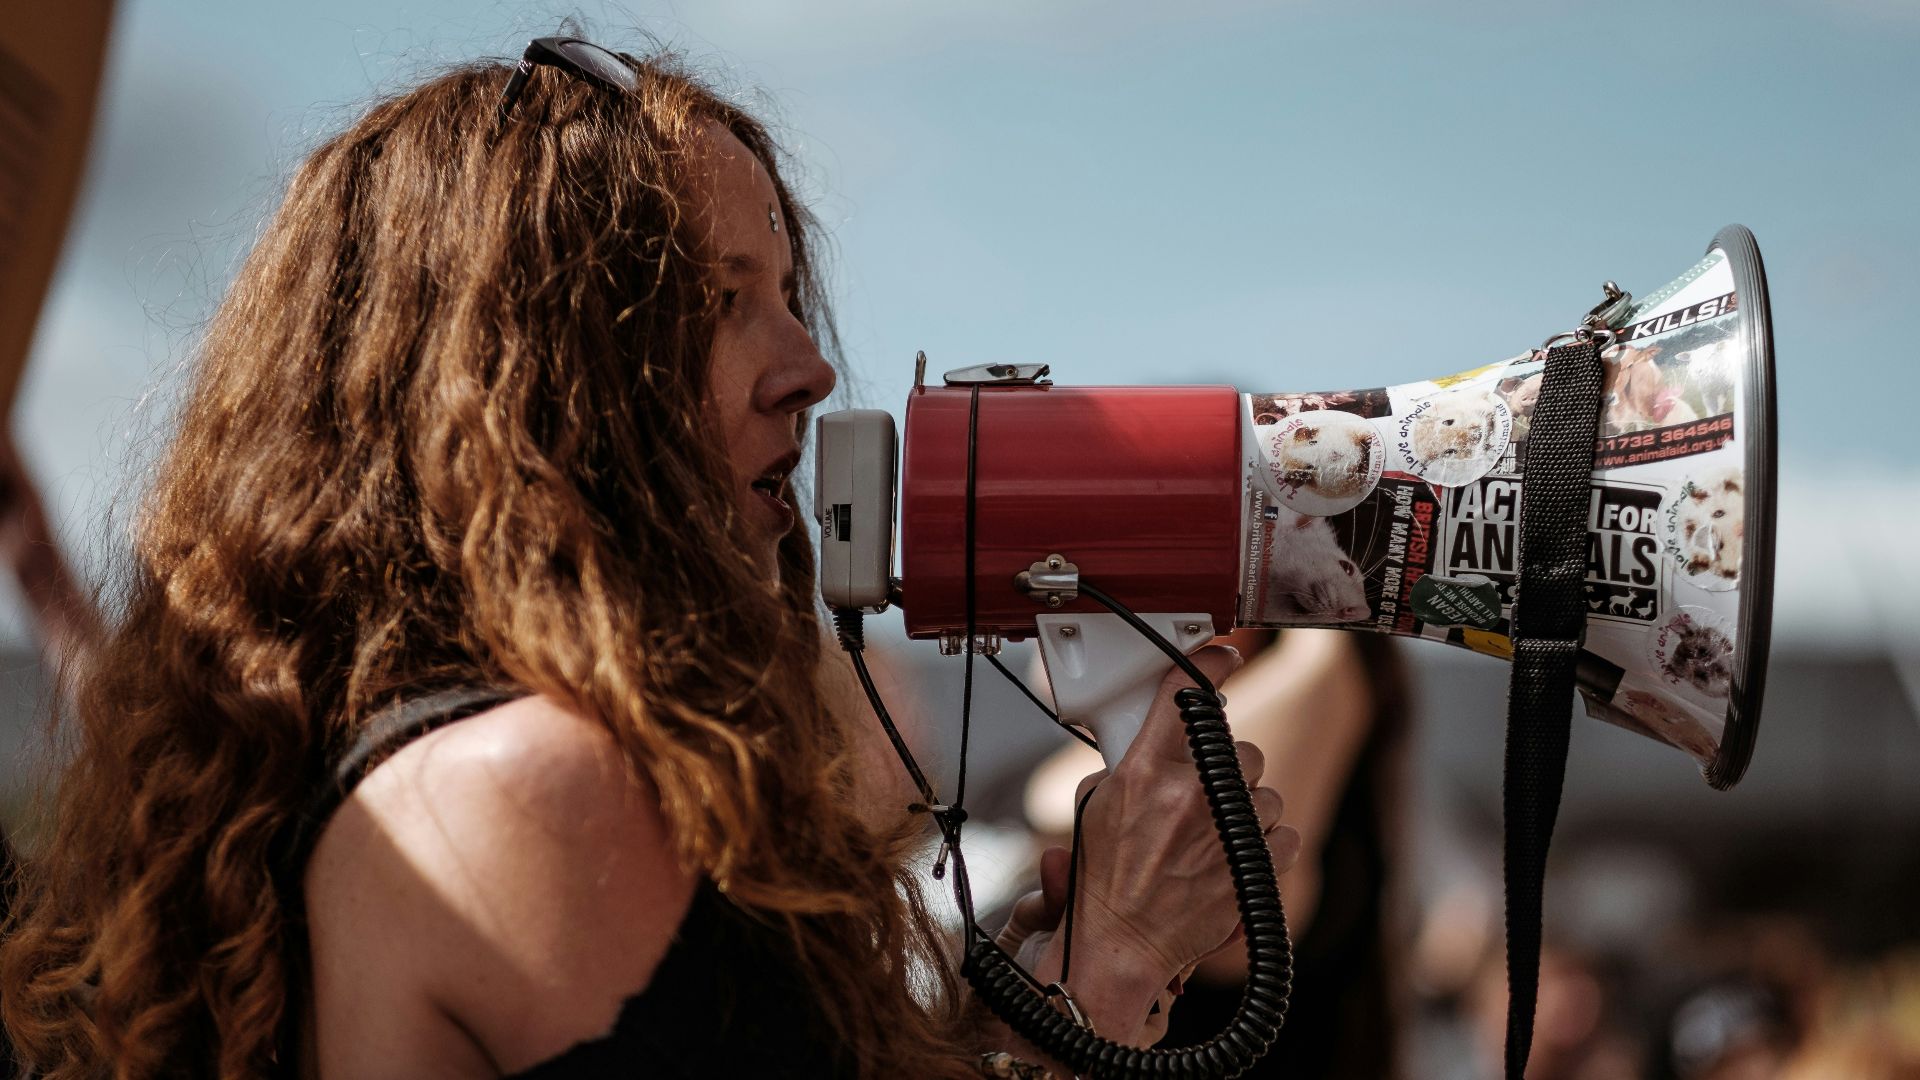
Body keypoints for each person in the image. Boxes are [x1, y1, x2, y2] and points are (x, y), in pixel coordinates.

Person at [0, 41, 1298, 1079]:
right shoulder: (530, 794)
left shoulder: (419, 768)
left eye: (789, 291)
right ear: (531, 384)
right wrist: (1116, 968)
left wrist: (1025, 1016)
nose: (810, 367)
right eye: (719, 298)